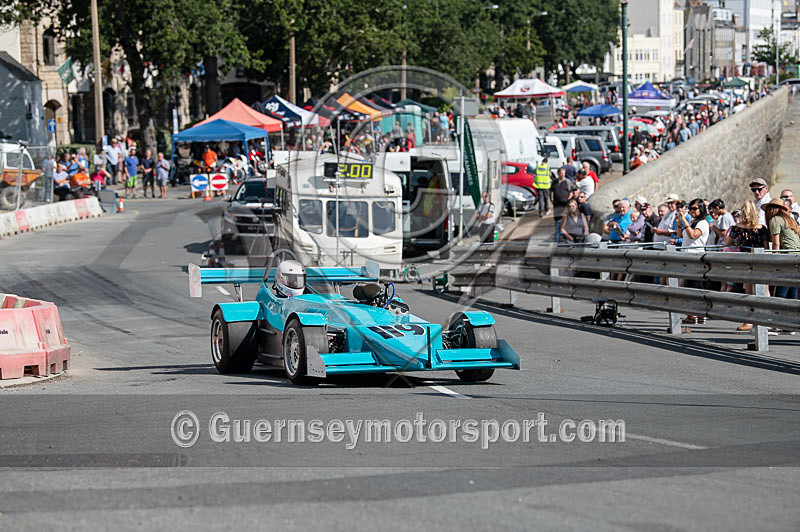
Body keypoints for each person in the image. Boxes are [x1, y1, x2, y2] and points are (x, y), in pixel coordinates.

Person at [725, 201, 769, 331]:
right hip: (762, 261)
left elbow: (727, 243)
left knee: (749, 292)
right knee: (765, 291)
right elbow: (766, 247)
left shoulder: (736, 228)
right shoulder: (762, 229)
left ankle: (750, 321)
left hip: (746, 261)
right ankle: (768, 319)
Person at [675, 198, 710, 324]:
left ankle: (696, 313)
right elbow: (680, 236)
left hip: (696, 257)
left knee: (695, 286)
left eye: (694, 208)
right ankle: (694, 313)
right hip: (687, 256)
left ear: (701, 209)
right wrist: (679, 223)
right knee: (689, 286)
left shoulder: (703, 223)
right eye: (690, 208)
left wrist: (684, 220)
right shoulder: (693, 222)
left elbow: (693, 235)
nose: (691, 211)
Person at [763, 198, 800, 302]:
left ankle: (778, 315)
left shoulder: (775, 220)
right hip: (797, 256)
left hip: (787, 257)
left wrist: (776, 261)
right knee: (793, 291)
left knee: (781, 292)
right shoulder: (789, 219)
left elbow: (776, 243)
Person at [551, 168, 571, 241]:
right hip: (556, 205)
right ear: (558, 174)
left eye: (564, 173)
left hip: (565, 205)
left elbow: (571, 192)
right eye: (561, 173)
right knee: (556, 220)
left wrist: (568, 200)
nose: (563, 175)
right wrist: (551, 200)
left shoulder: (567, 181)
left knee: (565, 220)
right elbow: (551, 191)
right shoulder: (554, 182)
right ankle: (557, 233)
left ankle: (564, 234)